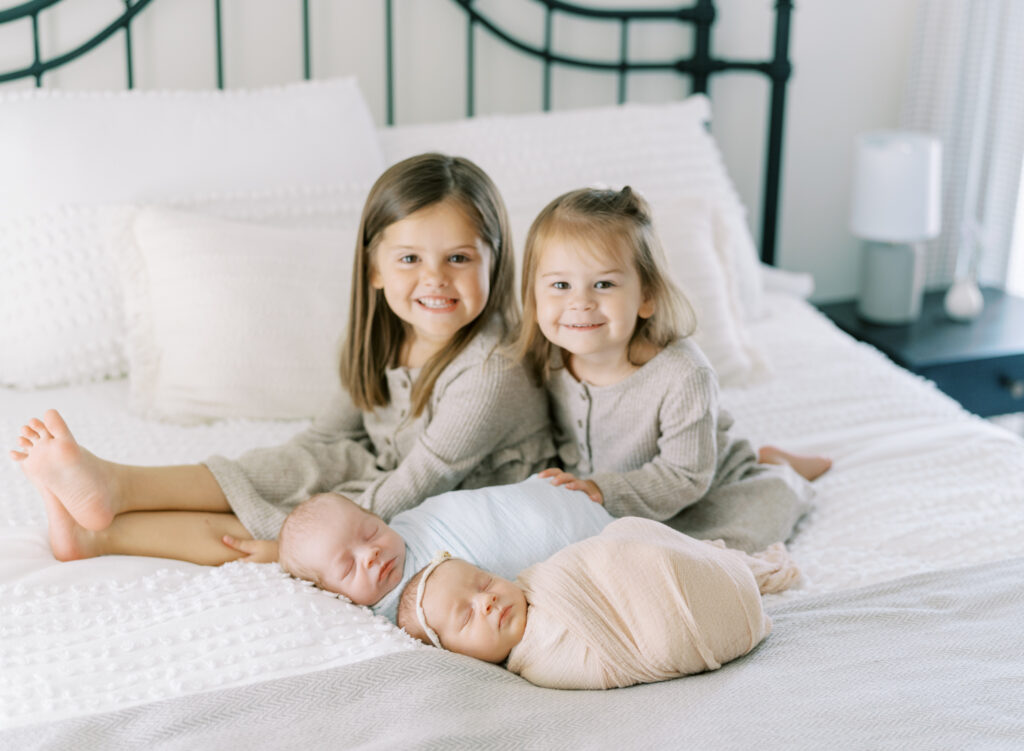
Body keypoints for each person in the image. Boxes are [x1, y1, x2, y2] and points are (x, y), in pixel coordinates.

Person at [11, 153, 554, 566]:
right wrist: (274, 478)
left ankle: (110, 526)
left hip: (468, 508)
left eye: (458, 258)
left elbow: (418, 483)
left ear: (496, 263)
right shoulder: (382, 336)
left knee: (300, 520)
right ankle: (106, 510)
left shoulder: (491, 372)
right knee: (309, 467)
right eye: (409, 258)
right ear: (375, 270)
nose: (434, 278)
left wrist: (299, 547)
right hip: (398, 477)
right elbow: (322, 440)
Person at [514, 186, 830, 553]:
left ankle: (777, 468)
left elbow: (686, 476)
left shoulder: (683, 374)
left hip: (697, 484)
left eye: (603, 284)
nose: (580, 302)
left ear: (646, 296)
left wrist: (603, 491)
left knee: (734, 539)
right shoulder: (546, 358)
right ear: (534, 295)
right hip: (603, 501)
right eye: (560, 285)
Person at [397, 517, 799, 689]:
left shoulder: (543, 579)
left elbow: (608, 558)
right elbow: (617, 661)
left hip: (664, 575)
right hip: (681, 630)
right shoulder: (541, 664)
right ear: (456, 655)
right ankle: (726, 583)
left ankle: (721, 573)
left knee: (622, 533)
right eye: (467, 616)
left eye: (484, 582)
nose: (486, 601)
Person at [276, 474, 613, 622]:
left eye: (371, 532)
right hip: (587, 551)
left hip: (557, 502)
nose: (370, 554)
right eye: (349, 568)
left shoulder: (412, 522)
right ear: (332, 594)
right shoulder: (393, 613)